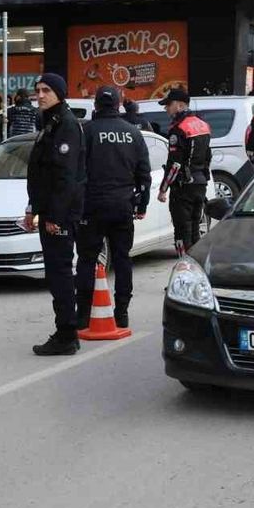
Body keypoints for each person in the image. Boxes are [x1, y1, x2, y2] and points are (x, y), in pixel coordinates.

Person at [76, 86, 152, 330]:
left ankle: (83, 315)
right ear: (119, 105)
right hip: (123, 205)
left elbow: (76, 171)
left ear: (96, 105)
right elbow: (144, 173)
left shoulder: (86, 131)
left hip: (92, 206)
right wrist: (142, 203)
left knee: (87, 259)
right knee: (122, 259)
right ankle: (122, 313)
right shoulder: (133, 133)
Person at [24, 73, 86, 356]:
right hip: (48, 210)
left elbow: (65, 177)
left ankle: (66, 335)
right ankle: (67, 331)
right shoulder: (50, 122)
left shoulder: (66, 125)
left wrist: (56, 217)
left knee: (60, 274)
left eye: (46, 90)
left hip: (59, 214)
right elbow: (42, 174)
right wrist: (32, 208)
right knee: (55, 273)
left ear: (59, 93)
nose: (40, 95)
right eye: (37, 90)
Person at [156, 88, 211, 257]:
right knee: (195, 230)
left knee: (181, 233)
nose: (166, 108)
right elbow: (208, 156)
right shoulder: (203, 125)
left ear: (180, 105)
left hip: (183, 187)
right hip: (200, 184)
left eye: (168, 105)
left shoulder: (178, 128)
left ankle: (183, 266)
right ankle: (197, 267)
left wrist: (163, 189)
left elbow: (175, 164)